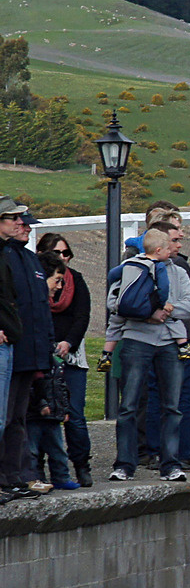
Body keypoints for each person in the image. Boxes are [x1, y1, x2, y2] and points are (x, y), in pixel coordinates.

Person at [104, 227, 190, 482]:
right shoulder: (131, 268)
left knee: (172, 406)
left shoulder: (178, 272)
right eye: (173, 242)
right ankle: (124, 463)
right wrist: (147, 312)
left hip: (168, 343)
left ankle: (170, 464)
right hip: (136, 340)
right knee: (129, 405)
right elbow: (115, 302)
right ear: (159, 248)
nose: (177, 247)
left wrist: (167, 310)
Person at [0, 199, 53, 499]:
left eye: (27, 223)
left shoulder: (31, 260)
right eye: (21, 222)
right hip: (11, 347)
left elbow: (40, 308)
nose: (26, 228)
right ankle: (7, 475)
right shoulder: (5, 256)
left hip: (29, 351)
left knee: (18, 417)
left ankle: (15, 474)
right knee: (4, 417)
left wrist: (44, 350)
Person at [39, 232, 93, 486]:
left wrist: (68, 343)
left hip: (71, 355)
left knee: (75, 413)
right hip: (43, 354)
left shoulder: (77, 281)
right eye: (57, 253)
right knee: (40, 413)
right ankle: (38, 468)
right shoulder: (37, 284)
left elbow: (82, 315)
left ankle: (81, 464)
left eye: (66, 253)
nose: (63, 258)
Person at [25, 255, 76, 491]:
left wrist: (61, 406)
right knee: (32, 445)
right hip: (36, 402)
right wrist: (43, 400)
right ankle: (32, 477)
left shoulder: (44, 310)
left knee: (57, 445)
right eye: (56, 280)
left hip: (52, 398)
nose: (60, 286)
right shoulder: (34, 310)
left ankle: (59, 476)